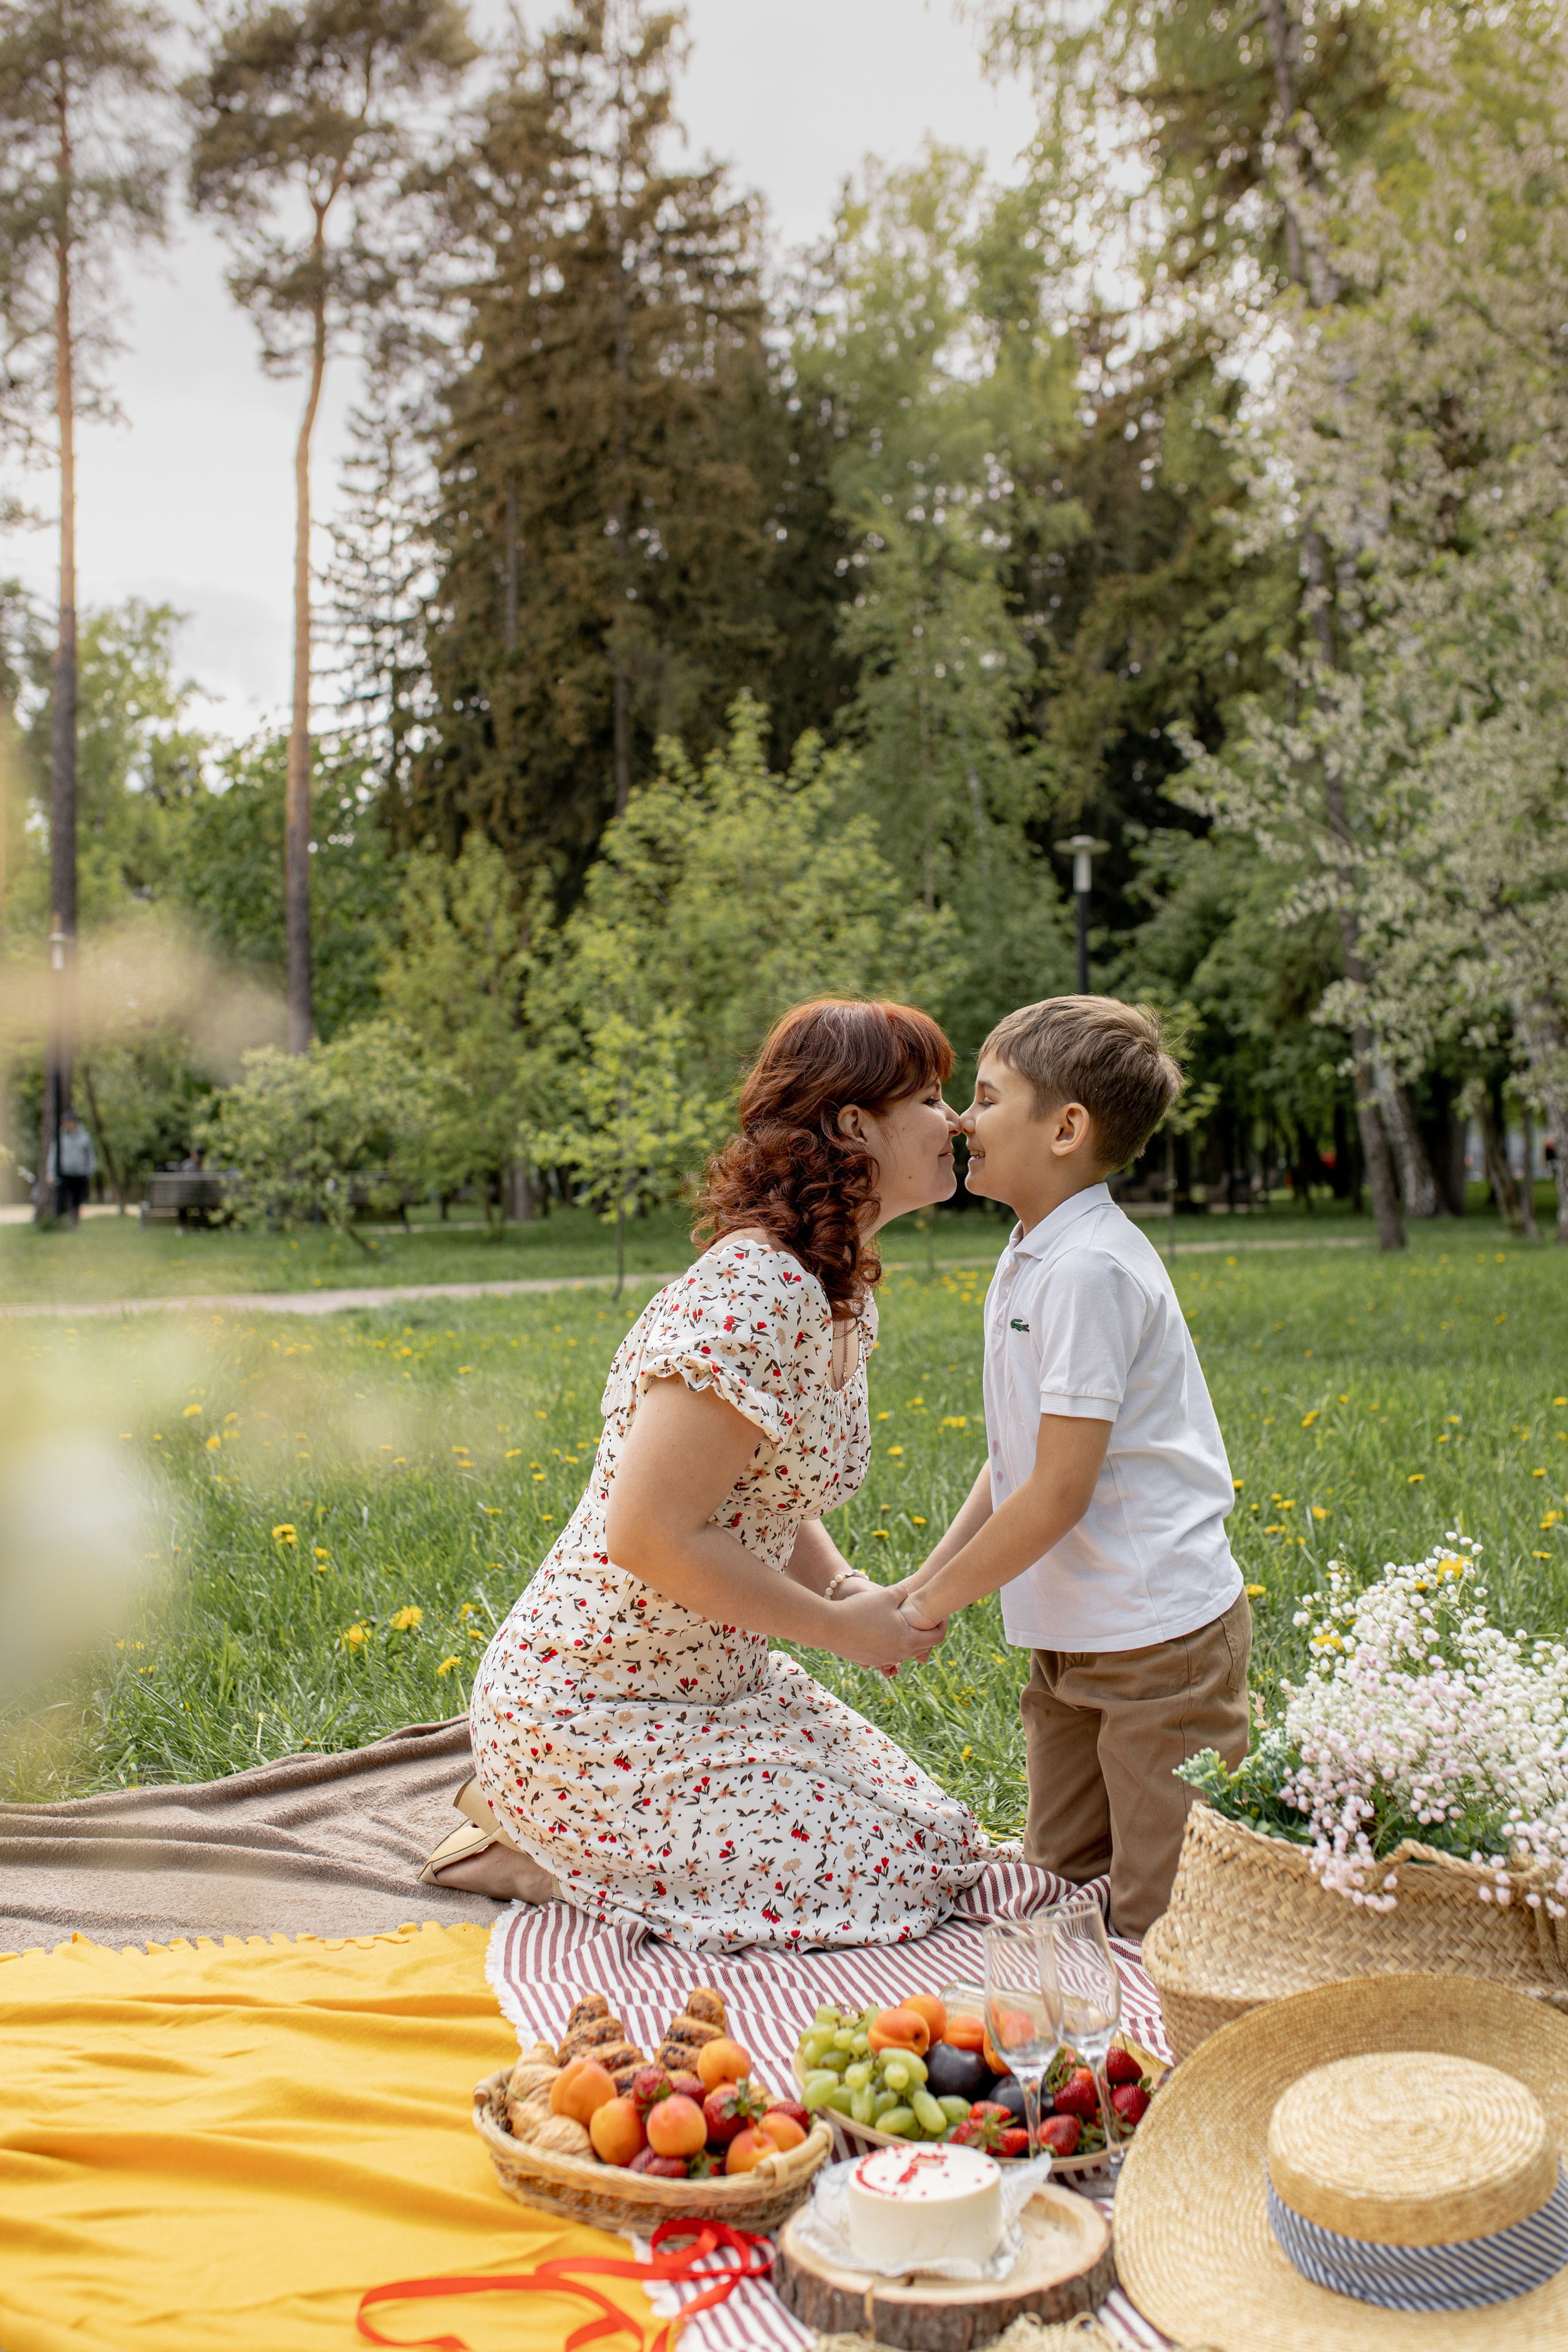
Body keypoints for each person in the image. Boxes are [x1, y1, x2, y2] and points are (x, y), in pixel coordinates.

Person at [422, 997, 992, 1951]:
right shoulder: (757, 1290)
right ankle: (544, 1842)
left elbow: (770, 1481)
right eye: (932, 1098)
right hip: (594, 1706)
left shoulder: (836, 1287)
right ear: (855, 1124)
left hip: (717, 1684)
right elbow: (646, 1533)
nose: (960, 1121)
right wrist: (840, 1631)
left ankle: (586, 1840)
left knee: (940, 1843)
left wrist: (846, 1584)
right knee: (888, 1882)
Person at [895, 997, 1249, 1940]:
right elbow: (1018, 1457)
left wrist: (933, 1609)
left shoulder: (1090, 1269)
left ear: (1066, 1128)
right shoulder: (1032, 1254)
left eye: (984, 1095)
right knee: (1056, 1884)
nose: (962, 1119)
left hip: (1155, 1646)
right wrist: (923, 1579)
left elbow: (1057, 1493)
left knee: (1170, 1921)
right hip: (1068, 1643)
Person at [45, 1112, 97, 1225]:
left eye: (68, 1122)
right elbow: (53, 1155)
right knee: (61, 1200)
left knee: (77, 1201)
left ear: (74, 1122)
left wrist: (90, 1171)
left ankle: (74, 1224)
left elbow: (90, 1156)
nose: (65, 1124)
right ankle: (60, 1223)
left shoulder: (85, 1137)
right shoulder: (59, 1137)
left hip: (80, 1174)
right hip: (64, 1174)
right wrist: (50, 1172)